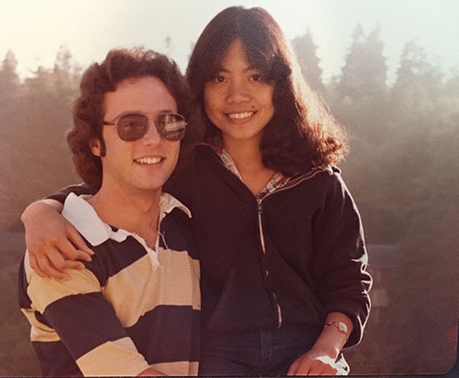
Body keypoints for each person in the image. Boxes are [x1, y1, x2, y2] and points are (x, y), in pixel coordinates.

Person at [21, 6, 372, 376]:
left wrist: (327, 349)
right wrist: (42, 212)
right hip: (218, 355)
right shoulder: (185, 168)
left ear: (280, 83)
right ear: (200, 86)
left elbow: (349, 277)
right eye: (219, 78)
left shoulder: (319, 181)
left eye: (255, 76)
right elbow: (117, 185)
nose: (237, 95)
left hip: (309, 350)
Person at [18, 48, 201, 376]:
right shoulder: (60, 250)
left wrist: (40, 208)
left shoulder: (183, 225)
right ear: (95, 142)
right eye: (132, 125)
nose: (154, 139)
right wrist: (40, 214)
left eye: (168, 123)